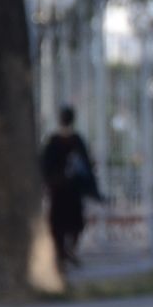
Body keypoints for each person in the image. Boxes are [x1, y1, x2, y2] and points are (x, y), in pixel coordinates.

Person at [39, 105, 100, 267]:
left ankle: (64, 252)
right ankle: (64, 253)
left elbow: (45, 166)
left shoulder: (56, 140)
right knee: (70, 223)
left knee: (64, 223)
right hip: (66, 190)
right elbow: (87, 165)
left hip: (63, 190)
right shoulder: (73, 140)